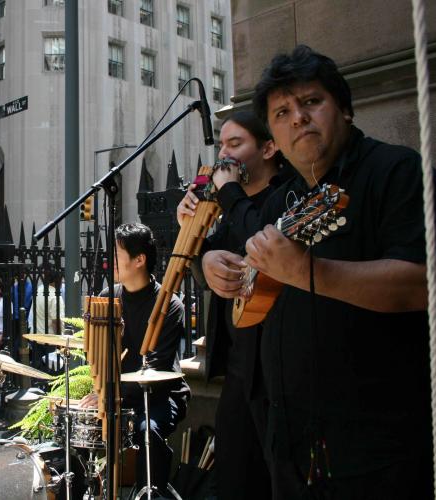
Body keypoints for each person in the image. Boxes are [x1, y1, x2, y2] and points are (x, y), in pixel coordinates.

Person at [206, 45, 432, 499]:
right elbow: (246, 261)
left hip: (376, 450)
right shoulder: (280, 198)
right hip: (289, 444)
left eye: (311, 102)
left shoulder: (394, 170)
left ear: (344, 109)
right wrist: (217, 266)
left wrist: (309, 271)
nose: (298, 118)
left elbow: (419, 284)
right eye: (282, 111)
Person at [177, 111, 283, 499]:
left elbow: (262, 238)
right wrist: (198, 250)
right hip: (239, 370)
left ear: (269, 147)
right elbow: (206, 268)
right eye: (221, 145)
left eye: (235, 145)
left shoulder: (285, 196)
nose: (224, 155)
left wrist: (227, 193)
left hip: (278, 371)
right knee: (236, 480)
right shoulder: (225, 210)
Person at [80, 222, 189, 496]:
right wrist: (101, 392)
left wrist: (112, 393)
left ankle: (150, 493)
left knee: (147, 430)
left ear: (139, 260)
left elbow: (158, 367)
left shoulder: (169, 305)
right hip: (116, 397)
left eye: (117, 255)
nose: (111, 261)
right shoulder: (108, 299)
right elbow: (101, 357)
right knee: (75, 425)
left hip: (159, 398)